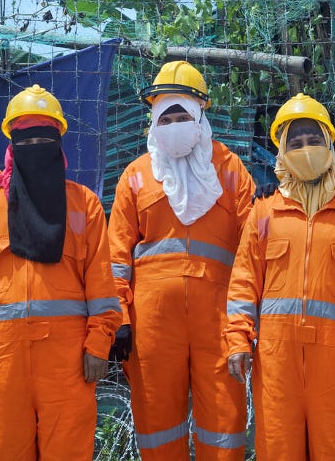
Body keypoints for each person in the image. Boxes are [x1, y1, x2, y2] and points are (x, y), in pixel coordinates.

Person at [0, 84, 122, 460]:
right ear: (11, 144)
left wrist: (98, 345)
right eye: (25, 139)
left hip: (69, 360)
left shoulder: (84, 205)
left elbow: (102, 286)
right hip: (3, 358)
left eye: (43, 138)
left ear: (58, 143)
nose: (34, 147)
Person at [224, 93, 335, 460]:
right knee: (278, 452)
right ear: (281, 150)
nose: (305, 148)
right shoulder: (265, 210)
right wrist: (238, 339)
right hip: (275, 364)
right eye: (295, 142)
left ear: (330, 143)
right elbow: (243, 284)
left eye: (314, 139)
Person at [107, 61, 254, 460]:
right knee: (158, 430)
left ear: (200, 115)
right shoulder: (136, 176)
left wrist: (246, 322)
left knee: (223, 429)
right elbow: (116, 257)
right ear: (154, 120)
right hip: (152, 327)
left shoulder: (231, 170)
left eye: (182, 115)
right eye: (166, 116)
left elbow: (252, 253)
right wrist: (118, 319)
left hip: (219, 323)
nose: (174, 123)